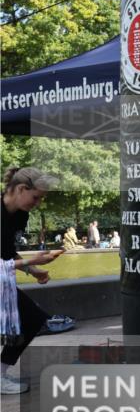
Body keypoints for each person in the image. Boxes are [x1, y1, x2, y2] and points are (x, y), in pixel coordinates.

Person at [2, 167, 59, 394]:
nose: (37, 203)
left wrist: (34, 269)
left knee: (32, 318)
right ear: (20, 189)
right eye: (36, 197)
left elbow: (5, 251)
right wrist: (33, 261)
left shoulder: (20, 216)